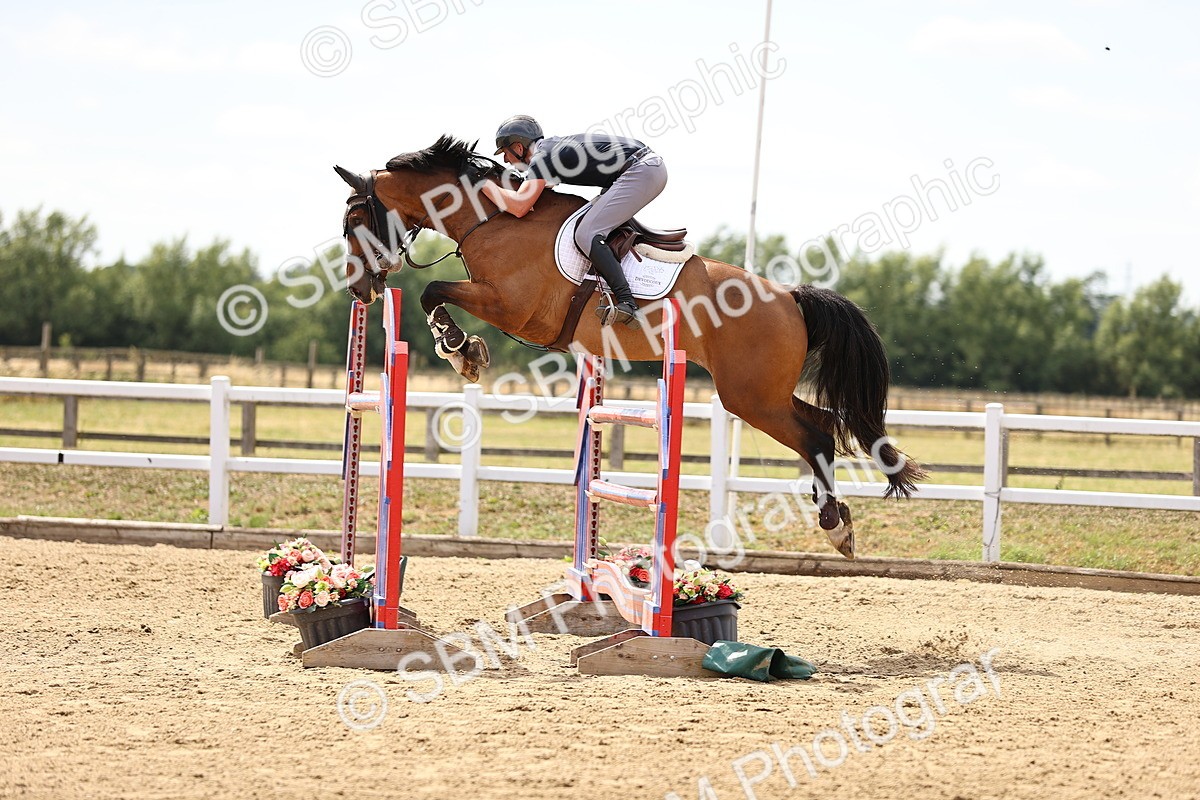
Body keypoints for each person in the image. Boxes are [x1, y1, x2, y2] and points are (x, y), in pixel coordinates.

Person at [481, 115, 667, 327]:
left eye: (505, 153)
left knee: (586, 233)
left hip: (640, 170)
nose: (505, 160)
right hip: (641, 167)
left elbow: (519, 207)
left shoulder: (542, 158)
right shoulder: (549, 151)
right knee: (592, 223)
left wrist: (482, 185)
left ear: (519, 148)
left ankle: (628, 302)